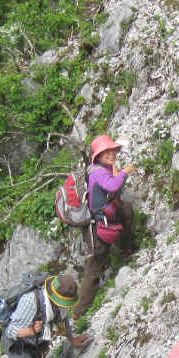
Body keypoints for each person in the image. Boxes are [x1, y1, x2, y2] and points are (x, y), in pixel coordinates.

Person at [72, 134, 137, 319]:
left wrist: (117, 175)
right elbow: (112, 186)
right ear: (98, 155)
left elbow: (113, 188)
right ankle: (79, 311)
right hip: (99, 225)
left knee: (126, 210)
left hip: (108, 217)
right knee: (94, 267)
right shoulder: (98, 172)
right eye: (106, 152)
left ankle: (126, 251)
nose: (111, 155)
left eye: (113, 151)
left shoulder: (103, 168)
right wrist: (124, 173)